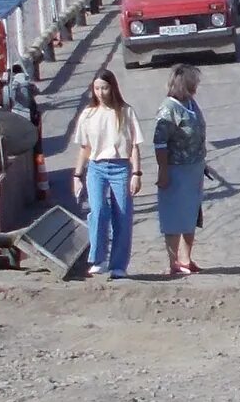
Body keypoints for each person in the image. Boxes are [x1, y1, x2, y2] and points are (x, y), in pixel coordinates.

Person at [69, 68, 144, 280]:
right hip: (96, 167)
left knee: (122, 214)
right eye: (97, 88)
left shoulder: (125, 112)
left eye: (104, 88)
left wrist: (136, 173)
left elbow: (134, 146)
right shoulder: (88, 114)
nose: (101, 92)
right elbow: (84, 148)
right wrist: (77, 176)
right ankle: (98, 258)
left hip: (120, 166)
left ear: (112, 88)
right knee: (99, 210)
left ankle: (119, 265)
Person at [152, 64, 209, 277]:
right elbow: (159, 143)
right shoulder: (169, 108)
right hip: (176, 170)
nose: (197, 85)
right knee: (174, 217)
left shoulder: (191, 103)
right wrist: (163, 170)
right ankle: (173, 261)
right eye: (194, 81)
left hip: (194, 168)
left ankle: (186, 258)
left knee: (191, 215)